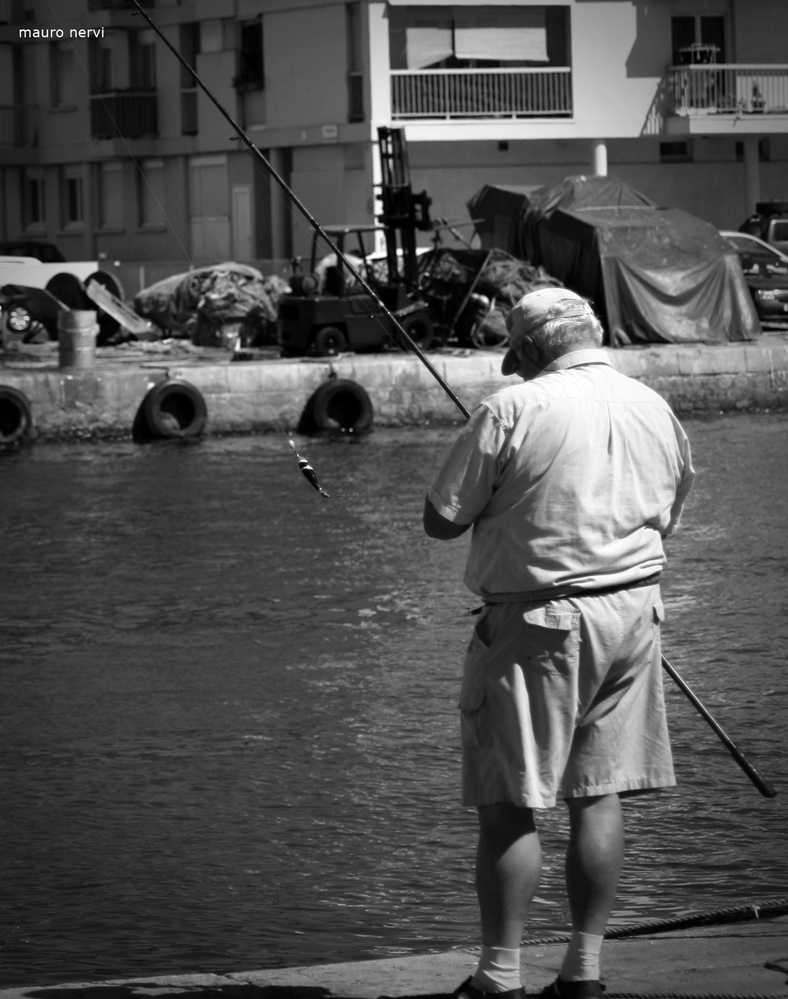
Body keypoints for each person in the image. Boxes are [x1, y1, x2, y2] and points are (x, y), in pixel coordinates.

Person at [422, 287, 695, 999]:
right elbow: (669, 511)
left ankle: (499, 976)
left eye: (516, 351)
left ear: (534, 348)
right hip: (633, 617)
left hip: (536, 623)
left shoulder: (510, 409)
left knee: (509, 801)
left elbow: (441, 519)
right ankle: (583, 971)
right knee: (597, 795)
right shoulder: (651, 405)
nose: (510, 364)